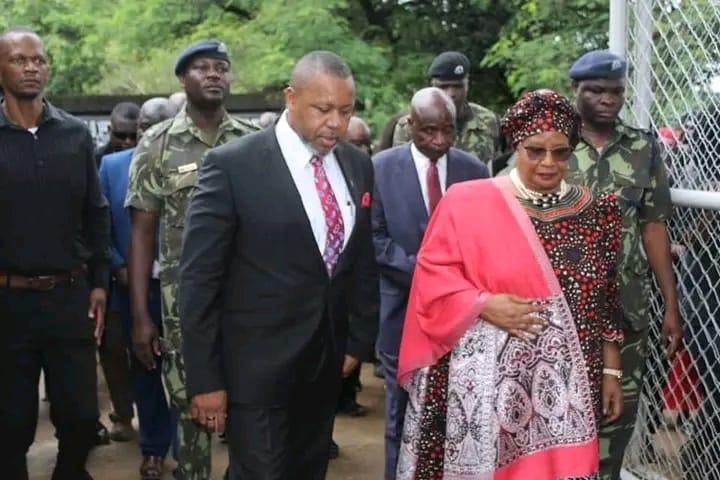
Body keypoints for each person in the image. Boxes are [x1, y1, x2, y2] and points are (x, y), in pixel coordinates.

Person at [395, 89, 625, 480]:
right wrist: (481, 304)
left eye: (561, 152)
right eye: (535, 151)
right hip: (488, 387)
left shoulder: (599, 211)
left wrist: (612, 373)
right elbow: (432, 276)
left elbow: (607, 296)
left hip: (570, 388)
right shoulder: (468, 202)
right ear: (515, 146)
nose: (549, 163)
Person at [178, 50, 379, 479]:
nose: (337, 124)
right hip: (255, 372)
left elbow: (360, 260)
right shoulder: (233, 166)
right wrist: (204, 379)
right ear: (291, 97)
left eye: (346, 111)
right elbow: (198, 280)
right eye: (323, 109)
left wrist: (357, 341)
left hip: (325, 369)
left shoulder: (358, 165)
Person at [125, 39, 256, 480]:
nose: (214, 74)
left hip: (245, 301)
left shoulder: (253, 142)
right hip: (182, 305)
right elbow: (142, 234)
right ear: (183, 79)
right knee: (189, 405)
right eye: (202, 67)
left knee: (247, 403)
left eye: (222, 66)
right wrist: (141, 315)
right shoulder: (156, 145)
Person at [565, 50, 682, 480]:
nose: (607, 99)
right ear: (575, 89)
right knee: (564, 416)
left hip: (628, 309)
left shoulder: (641, 147)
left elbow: (654, 228)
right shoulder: (553, 147)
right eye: (596, 90)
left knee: (618, 422)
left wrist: (670, 303)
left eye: (615, 92)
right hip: (566, 311)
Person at [0, 27, 109, 480]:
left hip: (69, 296)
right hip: (8, 303)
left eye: (38, 59)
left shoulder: (74, 135)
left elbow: (96, 211)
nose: (31, 67)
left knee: (83, 417)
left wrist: (100, 283)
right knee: (9, 425)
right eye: (19, 59)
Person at [373, 86, 488, 480]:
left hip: (461, 318)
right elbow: (375, 239)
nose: (438, 140)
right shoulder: (380, 168)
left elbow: (482, 241)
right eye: (428, 131)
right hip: (402, 314)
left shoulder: (474, 171)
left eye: (447, 131)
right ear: (410, 125)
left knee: (456, 415)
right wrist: (424, 273)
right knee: (400, 414)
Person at [99, 97, 178, 480]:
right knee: (146, 369)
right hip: (135, 289)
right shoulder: (112, 167)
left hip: (184, 289)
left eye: (162, 126)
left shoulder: (195, 166)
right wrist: (119, 267)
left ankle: (186, 446)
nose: (151, 135)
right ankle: (152, 449)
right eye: (145, 127)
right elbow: (99, 227)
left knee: (187, 370)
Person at [391, 51, 501, 168]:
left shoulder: (487, 121)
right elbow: (400, 167)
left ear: (467, 85)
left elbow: (496, 165)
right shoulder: (410, 124)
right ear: (431, 87)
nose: (451, 93)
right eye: (444, 87)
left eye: (458, 86)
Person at [95, 101, 140, 167]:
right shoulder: (95, 159)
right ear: (109, 130)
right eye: (121, 136)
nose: (128, 141)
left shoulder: (149, 159)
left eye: (134, 136)